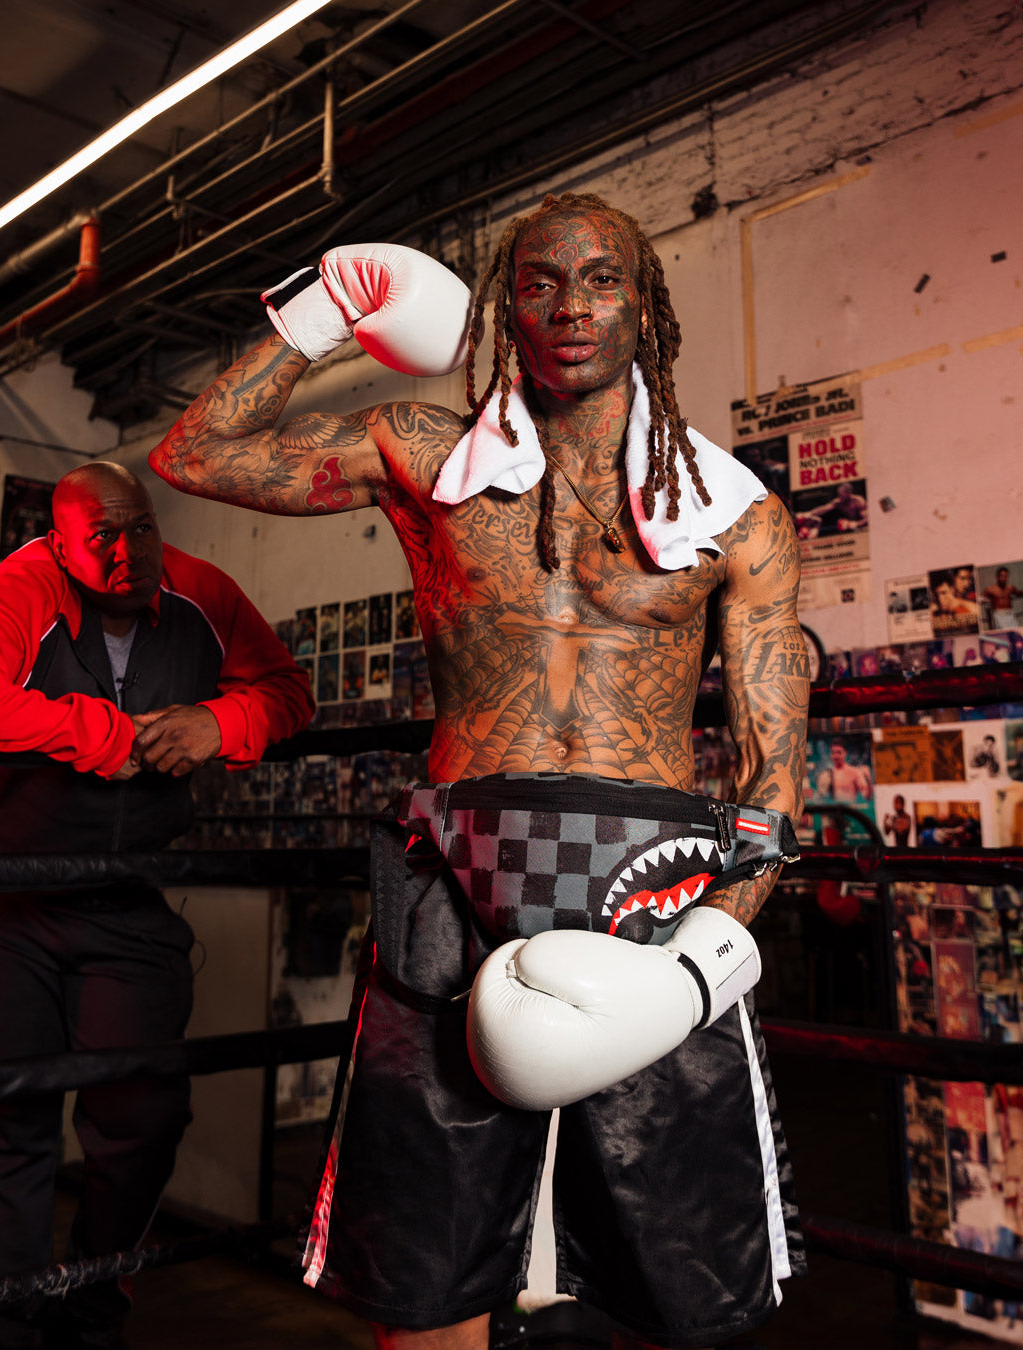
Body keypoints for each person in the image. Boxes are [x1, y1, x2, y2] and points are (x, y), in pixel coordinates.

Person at [149, 192, 810, 1349]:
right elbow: (194, 451)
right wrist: (326, 309)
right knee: (423, 1282)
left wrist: (699, 967)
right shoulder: (427, 454)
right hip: (456, 880)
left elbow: (773, 781)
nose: (570, 307)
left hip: (655, 896)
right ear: (506, 307)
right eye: (539, 282)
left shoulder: (740, 517)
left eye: (601, 279)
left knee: (679, 1288)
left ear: (645, 306)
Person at [0, 462, 314, 1350]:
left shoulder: (199, 593)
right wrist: (91, 732)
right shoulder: (25, 588)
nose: (125, 552)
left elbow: (288, 692)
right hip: (2, 898)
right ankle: (12, 1334)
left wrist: (221, 724)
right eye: (100, 537)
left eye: (139, 528)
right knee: (10, 1123)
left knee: (144, 1116)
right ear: (59, 545)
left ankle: (92, 1312)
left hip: (125, 896)